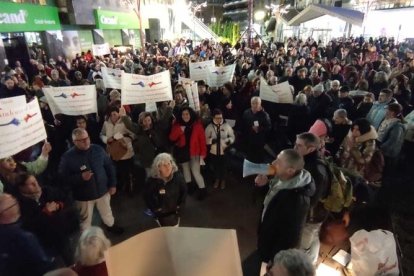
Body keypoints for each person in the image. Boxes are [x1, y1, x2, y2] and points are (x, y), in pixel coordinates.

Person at [254, 149, 315, 264]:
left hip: (273, 251)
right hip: (267, 235)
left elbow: (291, 237)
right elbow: (270, 201)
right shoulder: (280, 179)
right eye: (276, 158)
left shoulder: (297, 201)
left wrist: (275, 260)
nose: (273, 162)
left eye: (279, 162)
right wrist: (261, 185)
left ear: (290, 171)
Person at [59, 128, 123, 234]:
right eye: (82, 140)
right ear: (75, 142)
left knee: (107, 211)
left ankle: (111, 225)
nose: (86, 141)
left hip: (103, 190)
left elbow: (109, 166)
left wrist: (113, 184)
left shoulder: (98, 149)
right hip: (84, 197)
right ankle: (86, 236)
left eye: (87, 137)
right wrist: (80, 177)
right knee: (85, 220)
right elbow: (63, 179)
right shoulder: (67, 158)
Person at [15, 173, 79, 264]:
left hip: (60, 235)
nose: (36, 185)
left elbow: (66, 199)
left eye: (36, 181)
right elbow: (28, 226)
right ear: (22, 187)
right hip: (43, 243)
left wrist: (59, 205)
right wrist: (45, 212)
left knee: (71, 261)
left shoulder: (47, 191)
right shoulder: (20, 204)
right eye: (31, 184)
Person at [294, 133, 330, 264]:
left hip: (312, 215)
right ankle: (312, 262)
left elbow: (312, 200)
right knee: (313, 237)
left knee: (304, 243)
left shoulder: (316, 170)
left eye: (299, 146)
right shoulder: (309, 161)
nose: (295, 148)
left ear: (310, 149)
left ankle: (302, 268)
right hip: (315, 214)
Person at [0, 193, 55, 276]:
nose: (17, 204)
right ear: (5, 212)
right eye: (14, 203)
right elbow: (44, 265)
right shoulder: (23, 237)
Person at [169, 107, 207, 200]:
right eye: (183, 114)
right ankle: (189, 188)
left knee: (196, 172)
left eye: (187, 114)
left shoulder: (197, 125)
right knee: (186, 171)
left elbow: (202, 140)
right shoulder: (177, 125)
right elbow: (172, 138)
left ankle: (202, 190)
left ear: (191, 114)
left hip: (195, 153)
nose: (185, 116)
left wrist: (203, 154)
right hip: (183, 153)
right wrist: (179, 130)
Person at [144, 153, 187, 226]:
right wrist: (155, 209)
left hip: (174, 214)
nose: (168, 167)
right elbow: (147, 196)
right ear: (158, 167)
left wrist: (180, 206)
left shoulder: (178, 177)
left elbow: (184, 192)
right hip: (160, 215)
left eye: (169, 164)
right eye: (164, 165)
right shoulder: (152, 181)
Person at [100, 106, 135, 192]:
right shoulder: (106, 123)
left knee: (126, 172)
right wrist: (106, 139)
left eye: (115, 114)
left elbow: (133, 135)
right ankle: (118, 188)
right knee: (115, 172)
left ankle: (128, 189)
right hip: (112, 153)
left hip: (125, 153)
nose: (113, 116)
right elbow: (101, 134)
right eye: (111, 115)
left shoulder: (125, 122)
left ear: (118, 113)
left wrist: (119, 137)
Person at [205, 109, 235, 189]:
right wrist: (212, 140)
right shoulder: (209, 127)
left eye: (220, 118)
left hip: (224, 151)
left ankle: (223, 181)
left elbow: (232, 137)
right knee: (216, 166)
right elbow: (206, 139)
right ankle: (217, 179)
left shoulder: (226, 126)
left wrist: (228, 142)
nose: (219, 120)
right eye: (217, 118)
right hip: (214, 151)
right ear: (213, 118)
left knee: (224, 166)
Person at [377, 103, 407, 176]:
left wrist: (380, 148)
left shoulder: (397, 125)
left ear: (392, 112)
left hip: (387, 152)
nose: (385, 111)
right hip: (380, 146)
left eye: (387, 110)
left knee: (383, 169)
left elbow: (392, 141)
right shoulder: (387, 120)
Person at [240, 97, 271, 163]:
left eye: (257, 103)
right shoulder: (246, 112)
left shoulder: (265, 115)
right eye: (253, 103)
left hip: (259, 141)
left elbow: (269, 127)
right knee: (248, 157)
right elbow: (243, 124)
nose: (254, 105)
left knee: (258, 158)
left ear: (260, 104)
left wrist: (259, 129)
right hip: (248, 139)